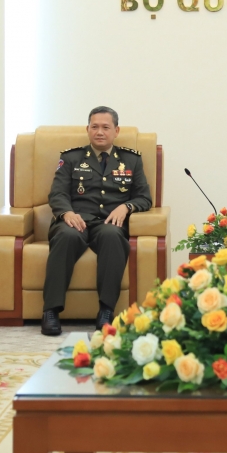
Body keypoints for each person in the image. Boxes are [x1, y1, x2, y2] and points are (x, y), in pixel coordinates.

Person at [42, 106, 152, 336]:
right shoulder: (71, 158)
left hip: (108, 223)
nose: (99, 132)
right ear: (88, 129)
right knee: (66, 236)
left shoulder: (131, 160)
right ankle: (51, 311)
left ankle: (106, 311)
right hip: (76, 220)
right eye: (94, 127)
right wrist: (66, 213)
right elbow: (58, 193)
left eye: (105, 127)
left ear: (116, 131)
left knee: (113, 237)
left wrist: (126, 206)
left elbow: (144, 197)